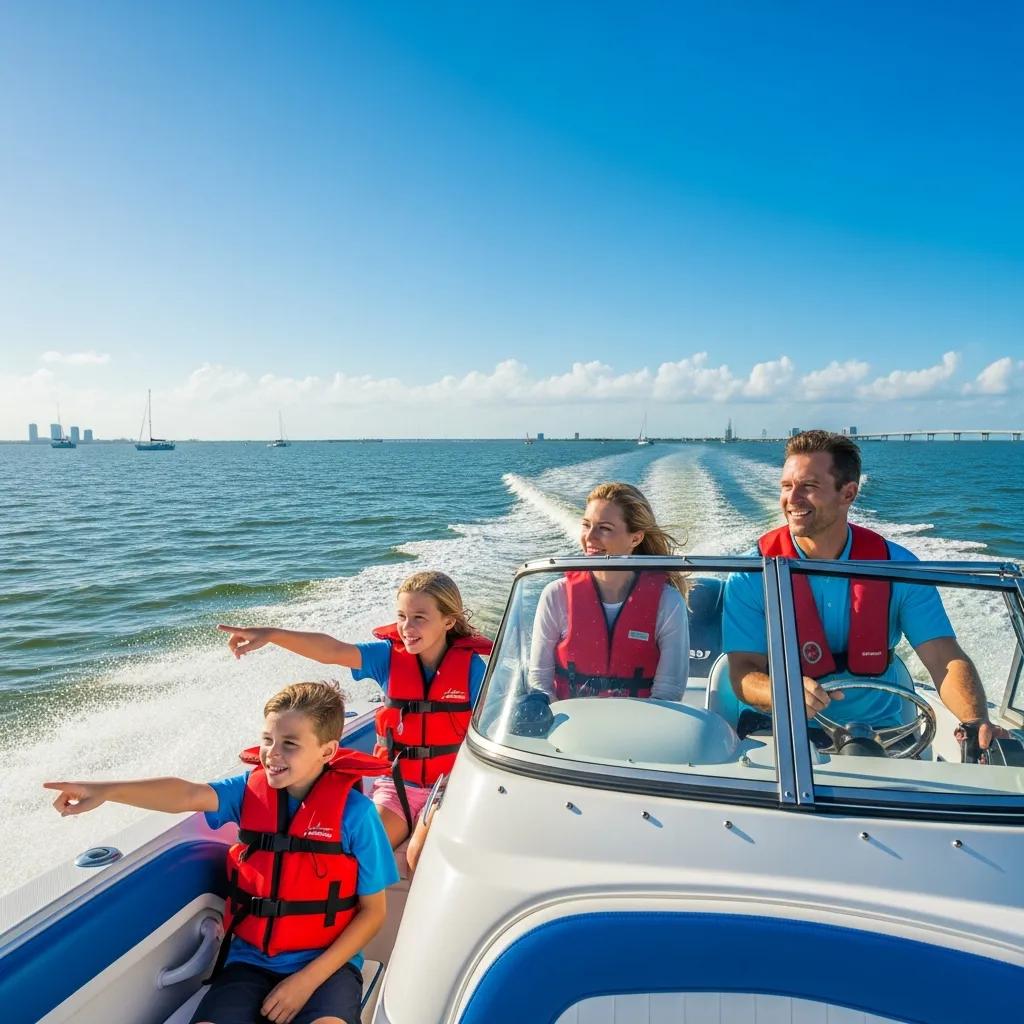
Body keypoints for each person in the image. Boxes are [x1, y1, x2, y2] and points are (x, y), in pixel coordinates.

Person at [45, 681, 397, 1024]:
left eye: (289, 744)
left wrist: (305, 981)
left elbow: (373, 914)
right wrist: (103, 791)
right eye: (267, 740)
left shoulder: (357, 816)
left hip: (326, 968)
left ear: (327, 751)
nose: (272, 754)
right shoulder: (247, 793)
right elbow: (186, 795)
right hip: (249, 963)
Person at [724, 430, 1002, 748]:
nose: (792, 499)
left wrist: (976, 720)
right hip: (779, 727)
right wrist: (781, 692)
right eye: (787, 486)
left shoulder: (898, 568)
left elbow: (944, 658)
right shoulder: (752, 573)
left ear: (848, 494)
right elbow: (743, 671)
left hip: (882, 732)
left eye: (809, 487)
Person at [219, 571, 492, 850]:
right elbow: (332, 650)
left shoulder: (472, 669)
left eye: (419, 617)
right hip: (397, 786)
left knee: (420, 854)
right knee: (363, 851)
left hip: (448, 788)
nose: (407, 627)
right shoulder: (386, 658)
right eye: (401, 616)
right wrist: (273, 634)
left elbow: (492, 727)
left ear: (448, 621)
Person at [526, 481, 690, 705]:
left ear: (636, 538)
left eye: (604, 528)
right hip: (568, 728)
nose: (590, 537)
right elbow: (539, 682)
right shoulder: (555, 595)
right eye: (586, 525)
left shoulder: (668, 603)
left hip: (640, 729)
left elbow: (668, 693)